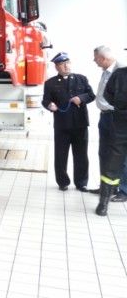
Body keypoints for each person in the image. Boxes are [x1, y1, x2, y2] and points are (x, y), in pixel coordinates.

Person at [42, 52, 95, 191]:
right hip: (62, 124)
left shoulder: (81, 79)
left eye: (68, 63)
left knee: (81, 155)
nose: (66, 66)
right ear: (56, 67)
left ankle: (81, 183)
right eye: (62, 64)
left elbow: (91, 95)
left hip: (80, 124)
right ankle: (63, 182)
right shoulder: (50, 83)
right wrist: (50, 105)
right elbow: (45, 100)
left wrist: (81, 98)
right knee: (60, 155)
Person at [90, 46, 121, 196]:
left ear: (103, 58)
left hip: (117, 118)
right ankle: (106, 187)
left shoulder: (121, 70)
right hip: (105, 117)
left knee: (120, 154)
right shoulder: (105, 71)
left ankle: (123, 190)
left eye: (95, 58)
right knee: (104, 153)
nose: (94, 61)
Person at [96, 65, 127, 215]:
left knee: (112, 163)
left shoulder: (119, 73)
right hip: (121, 125)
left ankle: (104, 203)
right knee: (112, 164)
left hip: (120, 121)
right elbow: (107, 94)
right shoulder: (119, 74)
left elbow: (109, 95)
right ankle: (103, 203)